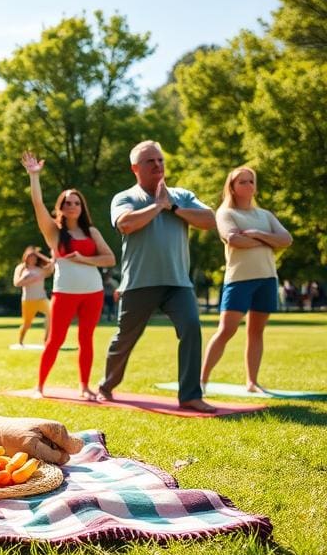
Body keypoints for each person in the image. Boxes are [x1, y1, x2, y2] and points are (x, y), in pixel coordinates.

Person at [97, 140, 217, 412]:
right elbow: (126, 224)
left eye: (160, 160)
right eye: (150, 161)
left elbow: (209, 220)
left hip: (178, 283)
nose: (158, 165)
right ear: (135, 168)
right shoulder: (125, 197)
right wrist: (158, 206)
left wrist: (173, 207)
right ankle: (106, 385)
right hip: (139, 283)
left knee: (191, 327)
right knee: (125, 338)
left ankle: (189, 395)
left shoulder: (181, 196)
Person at [21, 152, 116, 399]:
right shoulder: (54, 232)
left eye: (76, 202)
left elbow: (110, 258)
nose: (71, 205)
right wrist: (34, 176)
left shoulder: (91, 232)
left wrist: (84, 259)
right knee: (55, 340)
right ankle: (39, 387)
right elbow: (38, 204)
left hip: (92, 293)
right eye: (67, 202)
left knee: (87, 339)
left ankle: (85, 387)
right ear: (61, 207)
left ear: (81, 207)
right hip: (64, 293)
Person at [201, 167, 292, 392]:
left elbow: (286, 239)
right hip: (239, 279)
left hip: (267, 279)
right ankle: (201, 380)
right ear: (232, 187)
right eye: (243, 182)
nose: (249, 186)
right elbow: (233, 239)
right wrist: (270, 242)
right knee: (226, 330)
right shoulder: (226, 213)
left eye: (251, 181)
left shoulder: (265, 215)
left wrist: (259, 235)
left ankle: (252, 382)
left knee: (256, 332)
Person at [12, 246, 54, 347]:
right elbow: (17, 283)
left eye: (34, 257)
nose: (32, 259)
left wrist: (37, 253)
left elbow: (52, 263)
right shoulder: (21, 268)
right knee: (27, 324)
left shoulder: (41, 269)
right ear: (26, 257)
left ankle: (46, 340)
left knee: (51, 315)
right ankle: (20, 341)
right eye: (30, 256)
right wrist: (30, 279)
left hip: (41, 298)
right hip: (28, 300)